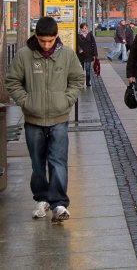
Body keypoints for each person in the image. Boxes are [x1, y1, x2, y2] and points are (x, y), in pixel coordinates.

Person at [6, 16, 85, 223]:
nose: (46, 45)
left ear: (56, 36)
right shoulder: (24, 56)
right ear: (36, 36)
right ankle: (41, 199)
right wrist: (26, 101)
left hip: (59, 117)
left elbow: (78, 79)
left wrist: (67, 100)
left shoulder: (67, 55)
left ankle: (59, 203)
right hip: (33, 119)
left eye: (50, 41)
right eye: (42, 41)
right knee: (37, 163)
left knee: (58, 161)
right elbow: (13, 81)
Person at [76, 22, 98, 87]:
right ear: (81, 29)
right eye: (83, 28)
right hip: (81, 55)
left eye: (85, 28)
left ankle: (88, 82)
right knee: (81, 70)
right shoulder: (78, 35)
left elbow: (94, 44)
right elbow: (76, 44)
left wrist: (95, 54)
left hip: (88, 54)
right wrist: (79, 49)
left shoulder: (90, 35)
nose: (84, 29)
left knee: (88, 69)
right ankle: (81, 82)